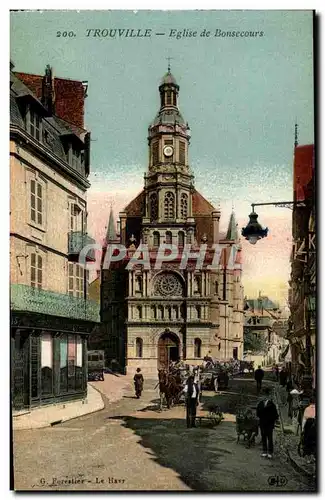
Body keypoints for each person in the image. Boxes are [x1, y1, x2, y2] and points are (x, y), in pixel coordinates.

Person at [256, 387, 279, 459]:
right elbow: (258, 413)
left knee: (270, 438)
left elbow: (275, 415)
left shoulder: (271, 405)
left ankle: (270, 452)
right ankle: (264, 451)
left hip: (269, 424)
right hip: (262, 423)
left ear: (267, 396)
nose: (263, 397)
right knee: (263, 437)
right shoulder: (260, 404)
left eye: (264, 396)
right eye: (262, 396)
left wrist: (271, 420)